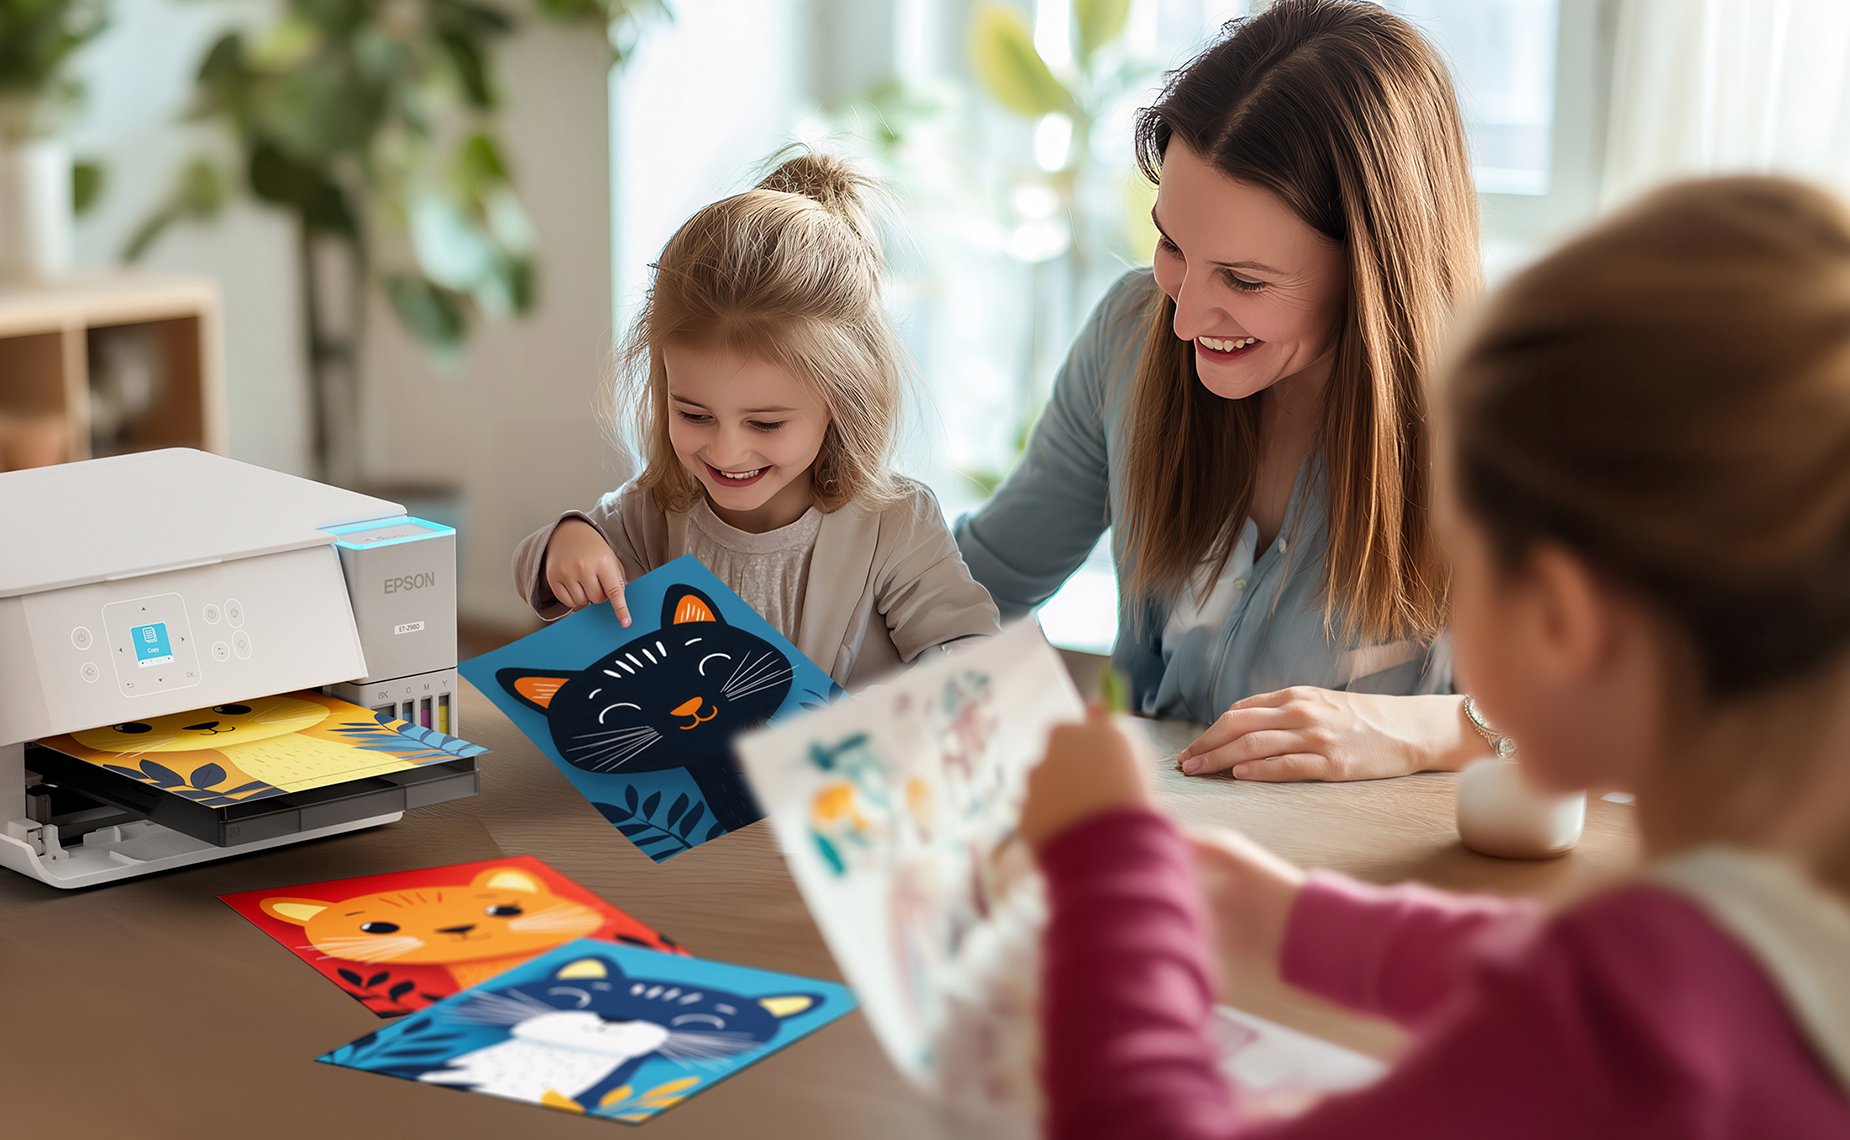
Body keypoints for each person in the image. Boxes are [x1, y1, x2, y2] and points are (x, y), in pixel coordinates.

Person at [1018, 176, 1850, 1138]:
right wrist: (1296, 920)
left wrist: (1106, 882)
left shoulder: (1618, 1039)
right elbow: (1585, 973)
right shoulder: (1772, 913)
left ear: (1564, 623)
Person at [957, 0, 1485, 781]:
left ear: (1374, 270)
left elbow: (1619, 712)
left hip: (1376, 878)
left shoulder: (1507, 419)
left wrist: (1418, 730)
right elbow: (976, 586)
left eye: (1243, 279)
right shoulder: (1128, 336)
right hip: (1162, 851)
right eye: (1171, 244)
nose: (1185, 317)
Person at [511, 151, 1000, 689]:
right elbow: (537, 567)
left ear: (842, 400)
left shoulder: (896, 524)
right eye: (694, 414)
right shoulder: (652, 511)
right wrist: (567, 542)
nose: (726, 452)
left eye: (765, 424)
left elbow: (972, 655)